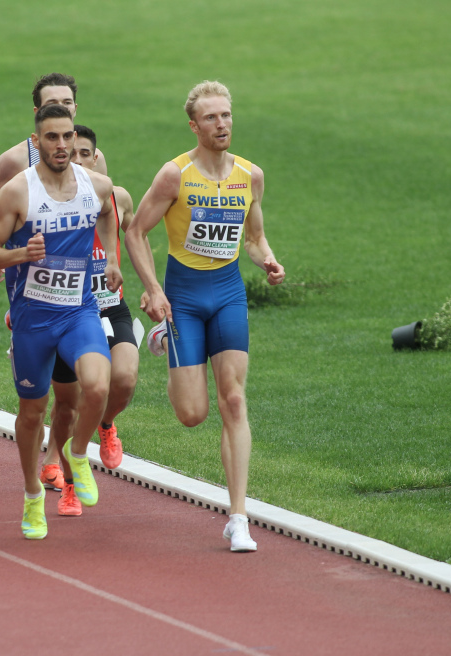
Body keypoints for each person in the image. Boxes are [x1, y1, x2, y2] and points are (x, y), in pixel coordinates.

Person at [126, 81, 285, 553]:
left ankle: (239, 517)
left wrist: (268, 260)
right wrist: (154, 290)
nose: (222, 124)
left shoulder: (250, 175)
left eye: (227, 115)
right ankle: (163, 332)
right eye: (212, 118)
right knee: (192, 414)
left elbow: (254, 238)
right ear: (194, 126)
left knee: (233, 401)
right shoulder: (175, 175)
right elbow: (136, 233)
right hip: (184, 297)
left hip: (229, 292)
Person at [0, 104, 121, 540]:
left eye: (67, 137)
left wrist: (111, 257)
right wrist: (22, 255)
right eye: (52, 138)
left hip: (78, 311)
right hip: (31, 320)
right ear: (36, 141)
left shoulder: (96, 186)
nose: (61, 146)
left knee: (98, 385)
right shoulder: (18, 192)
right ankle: (31, 495)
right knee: (31, 412)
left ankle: (77, 454)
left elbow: (110, 215)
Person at [38, 124, 139, 517]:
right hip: (67, 310)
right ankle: (69, 486)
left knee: (125, 378)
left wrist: (148, 285)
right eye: (70, 152)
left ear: (95, 158)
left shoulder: (116, 198)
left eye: (84, 153)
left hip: (109, 306)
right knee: (69, 404)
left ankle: (107, 423)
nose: (75, 159)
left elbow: (134, 235)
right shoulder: (51, 203)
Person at [0, 72, 108, 201]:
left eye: (67, 102)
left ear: (75, 108)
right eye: (52, 103)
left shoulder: (93, 158)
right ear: (37, 112)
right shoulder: (17, 159)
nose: (61, 108)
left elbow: (105, 209)